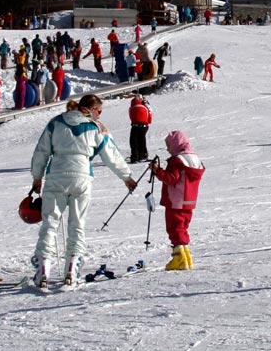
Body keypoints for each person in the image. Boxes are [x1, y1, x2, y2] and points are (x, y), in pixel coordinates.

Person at [29, 94, 137, 288]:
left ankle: (42, 268)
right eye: (100, 111)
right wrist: (126, 177)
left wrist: (37, 177)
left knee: (50, 223)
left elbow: (42, 150)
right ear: (92, 109)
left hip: (57, 175)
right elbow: (110, 154)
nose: (100, 115)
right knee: (77, 224)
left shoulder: (56, 122)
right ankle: (72, 268)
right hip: (81, 176)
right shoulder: (95, 128)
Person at [153, 130, 205, 271]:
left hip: (175, 200)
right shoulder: (195, 159)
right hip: (189, 200)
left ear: (176, 144)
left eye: (168, 145)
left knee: (174, 227)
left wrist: (157, 171)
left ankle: (179, 259)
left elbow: (171, 179)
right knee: (182, 227)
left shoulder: (177, 160)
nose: (168, 149)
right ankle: (186, 256)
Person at [128, 95, 152, 163]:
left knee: (134, 141)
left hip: (135, 125)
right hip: (144, 125)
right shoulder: (145, 107)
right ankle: (143, 156)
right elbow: (149, 117)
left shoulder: (131, 107)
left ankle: (135, 157)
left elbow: (131, 117)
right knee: (142, 140)